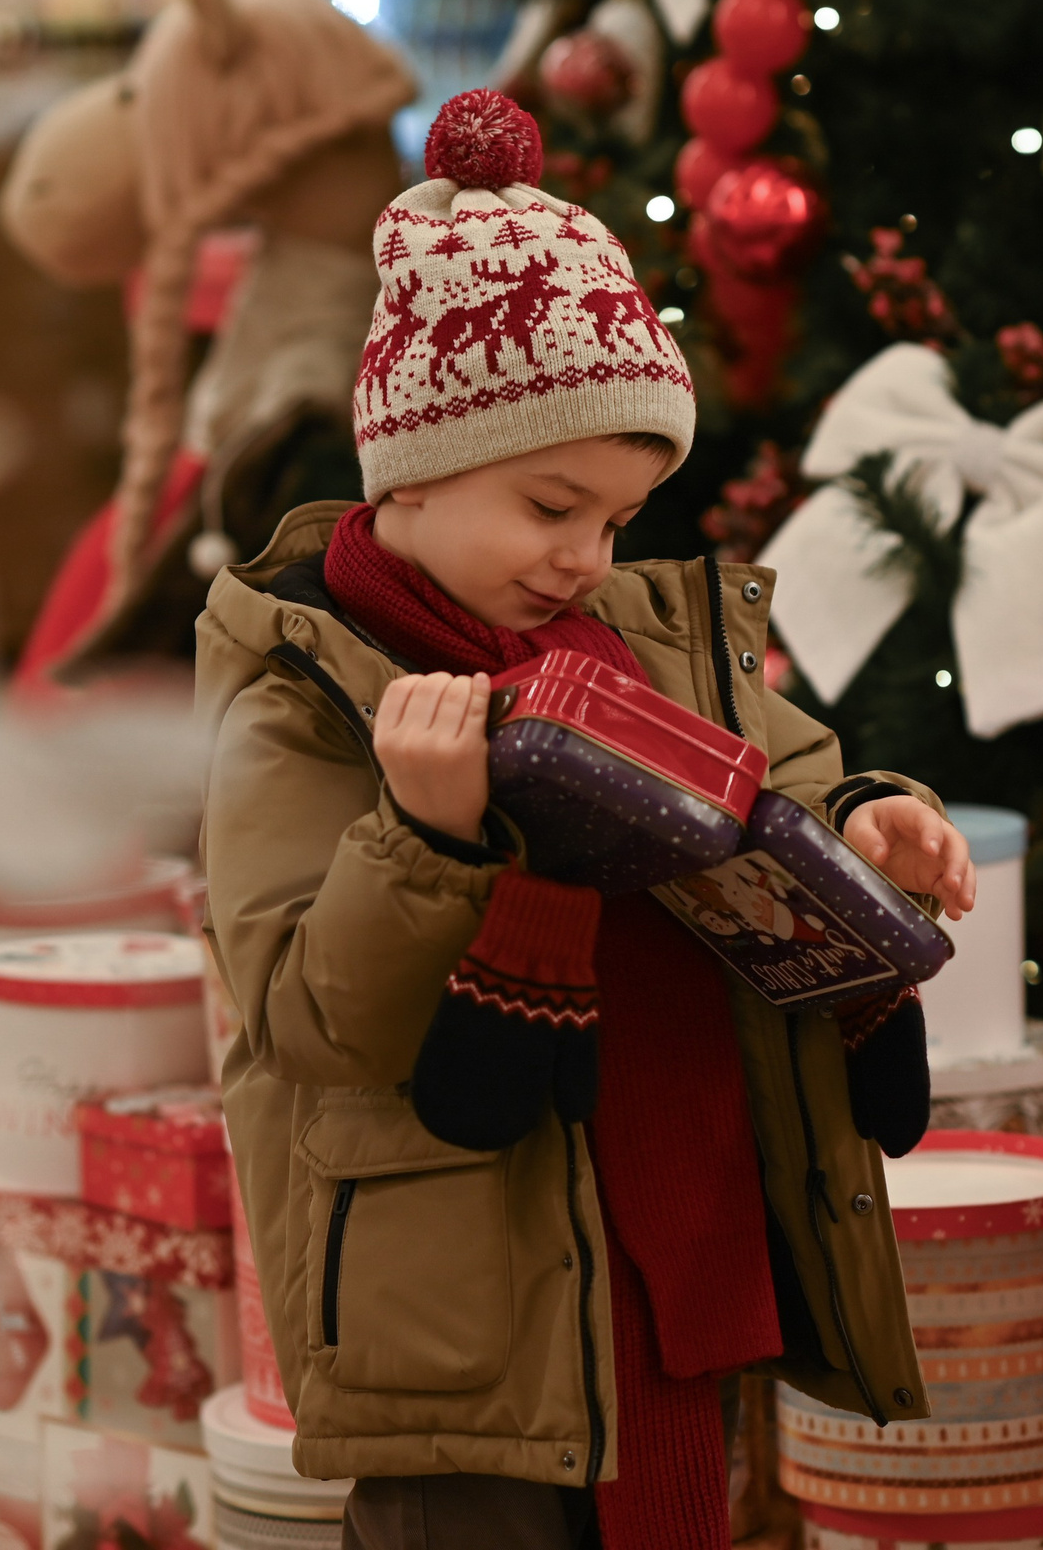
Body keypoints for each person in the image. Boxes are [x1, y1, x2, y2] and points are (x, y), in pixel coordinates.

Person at [194, 90, 975, 1550]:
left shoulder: (642, 634)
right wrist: (423, 839)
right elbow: (305, 1018)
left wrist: (875, 818)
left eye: (617, 520)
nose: (586, 557)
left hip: (675, 1258)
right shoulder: (301, 689)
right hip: (465, 1328)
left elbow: (787, 777)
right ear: (413, 466)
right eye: (552, 504)